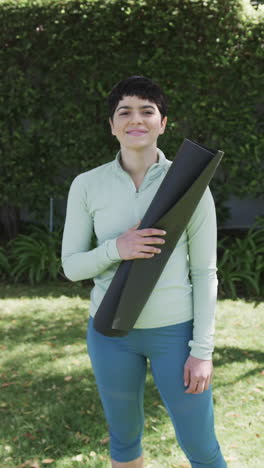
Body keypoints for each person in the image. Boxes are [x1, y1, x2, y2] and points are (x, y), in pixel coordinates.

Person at [61, 76, 227, 468]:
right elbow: (71, 266)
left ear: (163, 122)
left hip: (176, 334)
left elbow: (205, 273)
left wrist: (201, 352)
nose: (136, 119)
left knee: (201, 447)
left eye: (147, 111)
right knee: (124, 439)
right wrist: (116, 248)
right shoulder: (87, 185)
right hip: (110, 333)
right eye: (125, 112)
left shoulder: (190, 185)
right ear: (112, 125)